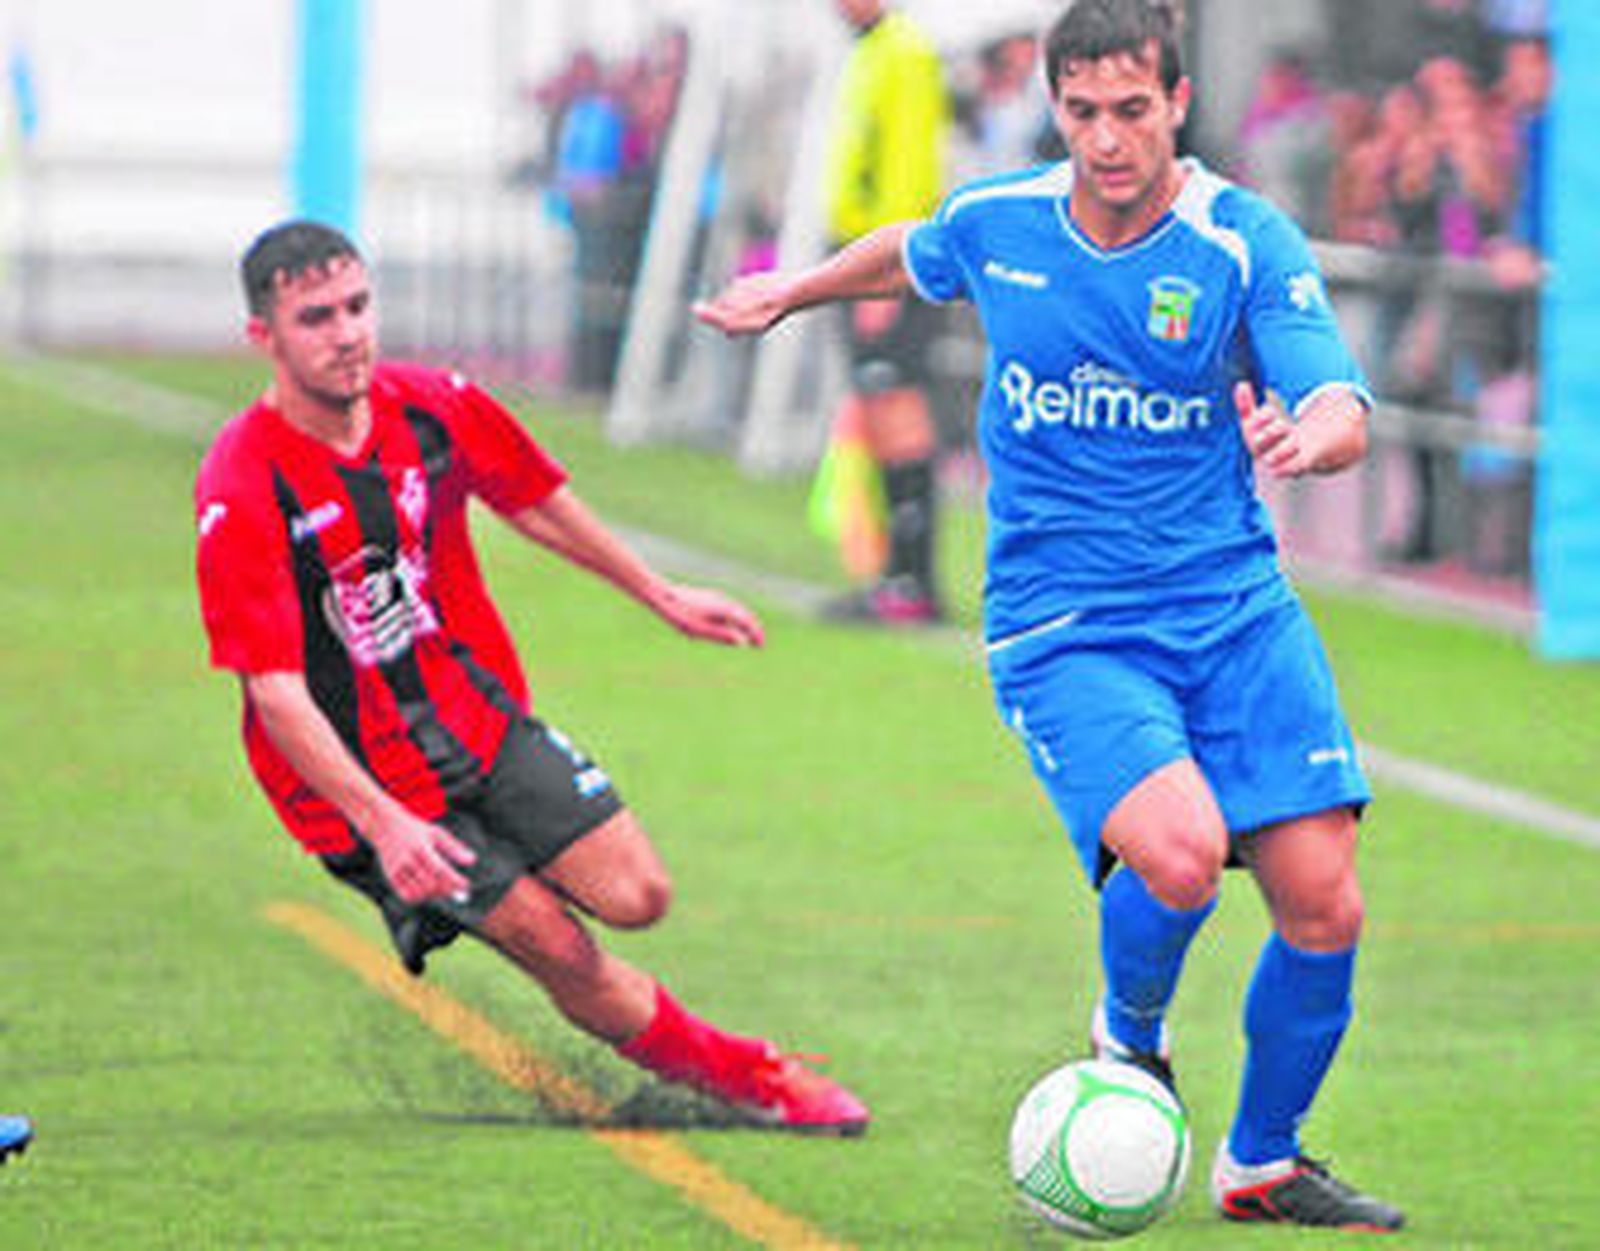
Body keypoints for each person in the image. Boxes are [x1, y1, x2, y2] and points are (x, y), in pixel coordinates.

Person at [697, 0, 1403, 1230]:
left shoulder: (1239, 239)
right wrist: (791, 291)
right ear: (1052, 101)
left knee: (1322, 899)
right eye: (1082, 113)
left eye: (1132, 111)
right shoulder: (1002, 222)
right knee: (1178, 857)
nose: (1107, 139)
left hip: (1234, 612)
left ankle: (1260, 1161)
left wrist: (1313, 438)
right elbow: (913, 244)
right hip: (1064, 623)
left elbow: (1331, 385)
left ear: (1176, 103)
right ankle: (1126, 1036)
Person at [194, 220, 868, 1135]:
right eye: (316, 317)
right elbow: (274, 692)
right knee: (558, 944)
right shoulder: (241, 484)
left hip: (473, 720)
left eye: (356, 306)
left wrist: (658, 592)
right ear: (263, 337)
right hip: (360, 787)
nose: (347, 332)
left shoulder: (431, 406)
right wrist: (386, 826)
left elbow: (533, 497)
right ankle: (755, 1079)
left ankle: (473, 909)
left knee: (640, 893)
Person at [817, 0, 951, 624]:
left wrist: (887, 277)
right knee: (878, 408)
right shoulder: (871, 51)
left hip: (884, 262)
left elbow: (908, 169)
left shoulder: (906, 52)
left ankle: (912, 579)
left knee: (897, 403)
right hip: (858, 254)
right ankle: (895, 572)